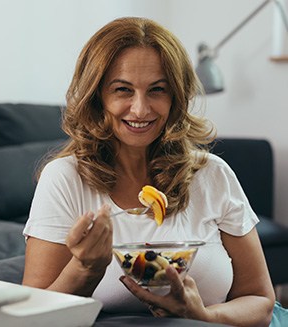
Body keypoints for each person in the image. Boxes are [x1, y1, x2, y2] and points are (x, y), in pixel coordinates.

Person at [22, 17, 279, 326]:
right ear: (97, 96)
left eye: (157, 90)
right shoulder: (65, 179)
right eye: (122, 90)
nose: (141, 109)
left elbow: (261, 301)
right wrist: (85, 269)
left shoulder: (212, 174)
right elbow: (32, 320)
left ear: (177, 97)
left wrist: (202, 315)